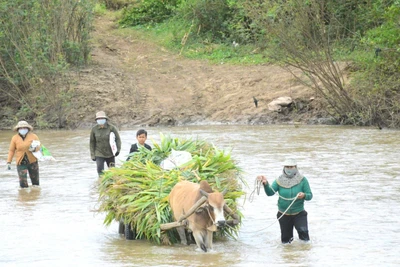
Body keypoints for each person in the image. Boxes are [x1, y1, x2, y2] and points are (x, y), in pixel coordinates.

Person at [257, 158, 313, 244]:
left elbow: (310, 196)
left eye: (291, 167)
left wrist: (304, 195)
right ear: (284, 168)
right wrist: (265, 183)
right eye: (287, 166)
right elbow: (270, 192)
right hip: (283, 214)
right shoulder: (279, 180)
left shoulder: (302, 180)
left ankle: (304, 255)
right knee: (286, 241)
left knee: (304, 236)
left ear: (296, 167)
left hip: (299, 213)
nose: (289, 169)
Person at [7, 121, 41, 188]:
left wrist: (34, 149)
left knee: (36, 183)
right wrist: (9, 161)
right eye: (21, 128)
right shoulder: (14, 138)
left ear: (28, 128)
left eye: (24, 128)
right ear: (18, 129)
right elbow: (11, 151)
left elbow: (39, 147)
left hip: (33, 161)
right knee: (23, 184)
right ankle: (24, 197)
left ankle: (35, 196)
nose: (23, 129)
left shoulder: (34, 136)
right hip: (21, 162)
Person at [90, 111, 121, 177]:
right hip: (99, 153)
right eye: (99, 119)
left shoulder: (111, 128)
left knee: (112, 171)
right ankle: (101, 182)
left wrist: (117, 150)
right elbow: (92, 142)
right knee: (100, 170)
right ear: (97, 120)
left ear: (105, 119)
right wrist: (92, 155)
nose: (100, 120)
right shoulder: (94, 129)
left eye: (102, 118)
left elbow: (117, 139)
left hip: (110, 153)